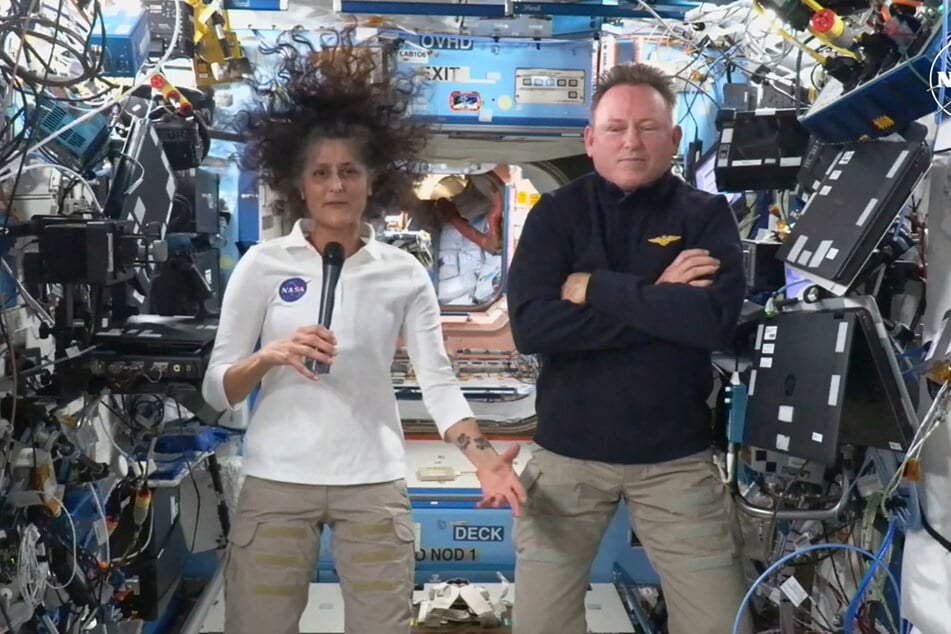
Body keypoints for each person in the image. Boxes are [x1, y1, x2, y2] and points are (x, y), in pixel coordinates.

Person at [201, 27, 526, 634]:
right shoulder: (261, 266)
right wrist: (269, 357)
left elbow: (439, 382)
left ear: (372, 181)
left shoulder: (404, 272)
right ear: (299, 182)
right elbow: (217, 390)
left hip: (372, 483)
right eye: (320, 173)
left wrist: (483, 458)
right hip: (277, 481)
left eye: (349, 172)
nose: (335, 187)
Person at [505, 62, 752, 634]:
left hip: (677, 462)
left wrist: (597, 287)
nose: (631, 142)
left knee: (721, 623)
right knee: (540, 625)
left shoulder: (706, 216)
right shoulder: (555, 217)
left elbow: (713, 322)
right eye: (615, 128)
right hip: (567, 458)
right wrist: (662, 298)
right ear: (591, 141)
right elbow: (534, 328)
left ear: (674, 139)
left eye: (647, 127)